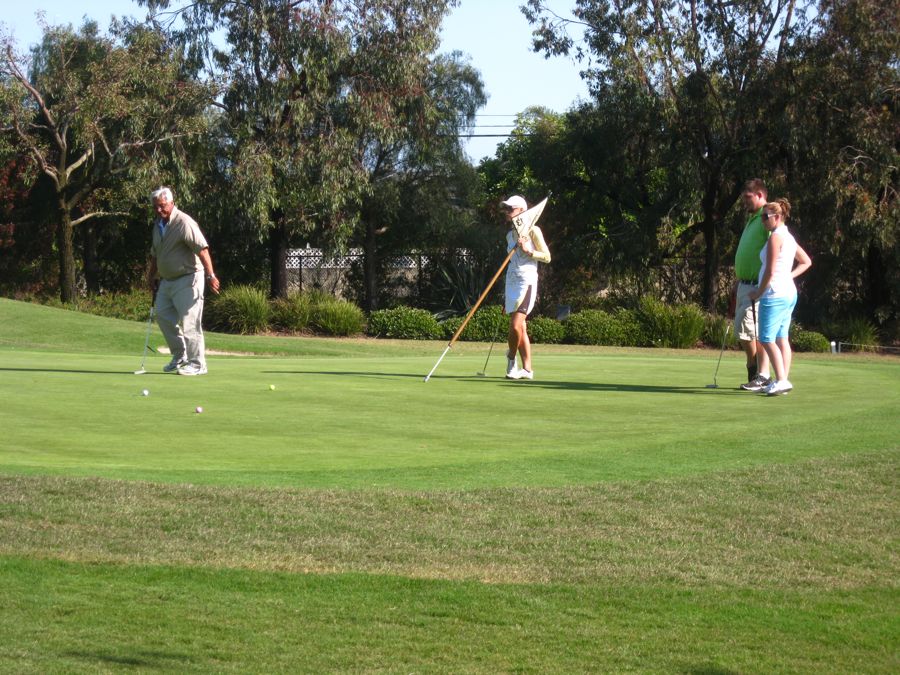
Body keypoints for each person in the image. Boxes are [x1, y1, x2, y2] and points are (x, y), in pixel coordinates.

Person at [146, 186, 220, 376]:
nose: (159, 210)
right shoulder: (157, 225)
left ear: (171, 203)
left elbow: (202, 250)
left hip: (188, 278)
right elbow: (155, 255)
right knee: (163, 316)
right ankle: (180, 356)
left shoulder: (184, 222)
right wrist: (151, 275)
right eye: (155, 207)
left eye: (162, 206)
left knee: (190, 322)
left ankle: (198, 364)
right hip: (166, 281)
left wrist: (211, 276)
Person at [748, 199, 812, 396]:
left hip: (774, 294)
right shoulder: (789, 237)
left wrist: (758, 293)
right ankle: (782, 380)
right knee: (781, 337)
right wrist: (788, 277)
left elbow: (770, 270)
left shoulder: (776, 237)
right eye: (761, 217)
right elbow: (806, 261)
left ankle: (782, 380)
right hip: (787, 292)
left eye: (765, 217)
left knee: (766, 339)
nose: (762, 221)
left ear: (777, 217)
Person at [501, 195, 551, 380]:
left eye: (510, 209)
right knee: (521, 327)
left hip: (527, 282)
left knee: (515, 326)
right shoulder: (509, 235)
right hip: (511, 282)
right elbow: (512, 262)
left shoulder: (533, 231)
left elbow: (547, 256)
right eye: (506, 209)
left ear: (522, 211)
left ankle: (511, 358)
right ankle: (528, 370)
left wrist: (528, 250)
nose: (507, 212)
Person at [732, 179, 771, 391]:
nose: (745, 203)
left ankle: (756, 370)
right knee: (745, 331)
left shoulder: (766, 217)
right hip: (744, 284)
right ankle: (755, 370)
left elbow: (775, 248)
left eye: (748, 198)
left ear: (759, 195)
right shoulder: (752, 220)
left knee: (747, 330)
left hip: (757, 286)